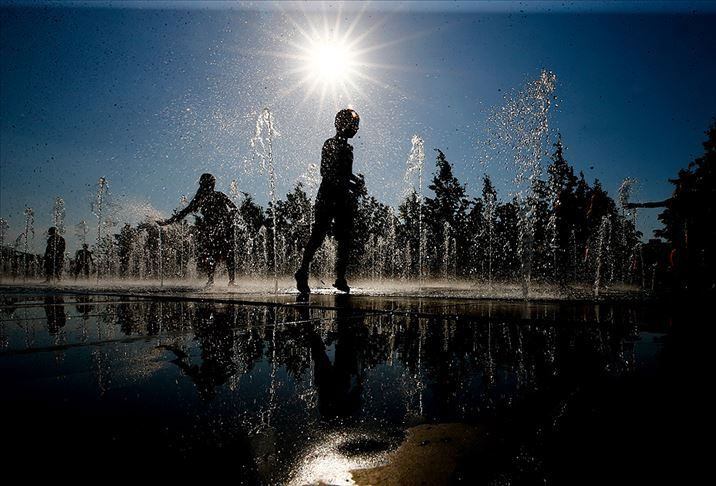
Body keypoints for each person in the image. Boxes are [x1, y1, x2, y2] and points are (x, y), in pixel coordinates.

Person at [295, 109, 361, 294]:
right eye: (352, 124)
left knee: (344, 238)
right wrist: (347, 184)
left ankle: (340, 277)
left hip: (342, 197)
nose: (355, 129)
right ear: (340, 124)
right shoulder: (329, 144)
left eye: (356, 125)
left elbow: (346, 173)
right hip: (327, 195)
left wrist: (355, 182)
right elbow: (326, 172)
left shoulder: (349, 149)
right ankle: (302, 272)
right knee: (318, 235)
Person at [158, 173, 237, 288]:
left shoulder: (219, 195)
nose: (213, 185)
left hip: (223, 229)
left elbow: (234, 208)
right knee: (215, 255)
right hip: (212, 231)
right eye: (212, 183)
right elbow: (185, 212)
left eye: (213, 183)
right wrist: (168, 222)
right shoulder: (201, 199)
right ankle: (215, 281)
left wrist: (230, 215)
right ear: (207, 184)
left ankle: (227, 281)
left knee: (225, 254)